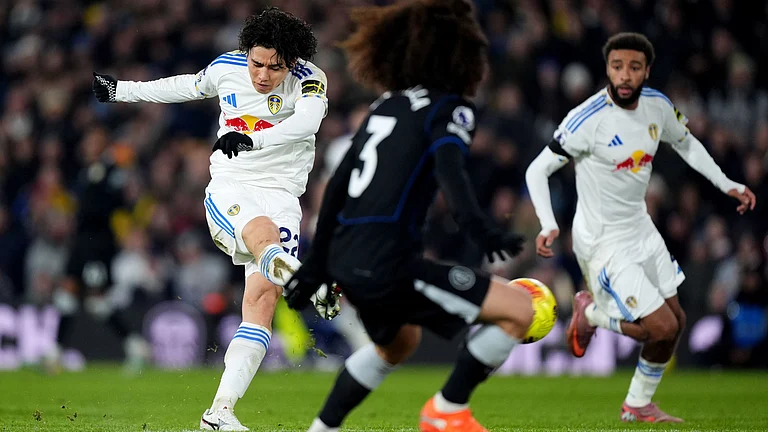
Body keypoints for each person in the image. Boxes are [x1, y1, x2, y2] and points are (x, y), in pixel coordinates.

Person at [284, 1, 533, 431]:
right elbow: (451, 172)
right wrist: (481, 229)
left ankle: (321, 429)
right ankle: (448, 409)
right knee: (519, 310)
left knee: (398, 343)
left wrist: (316, 265)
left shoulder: (385, 105)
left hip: (347, 260)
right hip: (388, 263)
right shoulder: (448, 107)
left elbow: (337, 188)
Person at [92, 7, 341, 431]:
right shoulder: (227, 66)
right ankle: (305, 279)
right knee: (264, 238)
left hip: (283, 196)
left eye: (274, 67)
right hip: (232, 186)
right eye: (257, 63)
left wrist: (252, 138)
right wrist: (122, 91)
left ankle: (219, 412)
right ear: (247, 53)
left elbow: (307, 122)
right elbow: (184, 86)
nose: (263, 75)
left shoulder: (309, 77)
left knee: (261, 303)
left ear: (292, 61)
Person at [525, 32, 757, 423]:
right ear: (607, 69)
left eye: (634, 67)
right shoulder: (587, 119)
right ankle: (592, 314)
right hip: (602, 242)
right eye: (617, 66)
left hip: (640, 228)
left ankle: (636, 404)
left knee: (676, 323)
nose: (625, 75)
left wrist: (727, 183)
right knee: (659, 328)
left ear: (646, 70)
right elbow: (537, 170)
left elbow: (686, 143)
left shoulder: (657, 106)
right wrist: (548, 223)